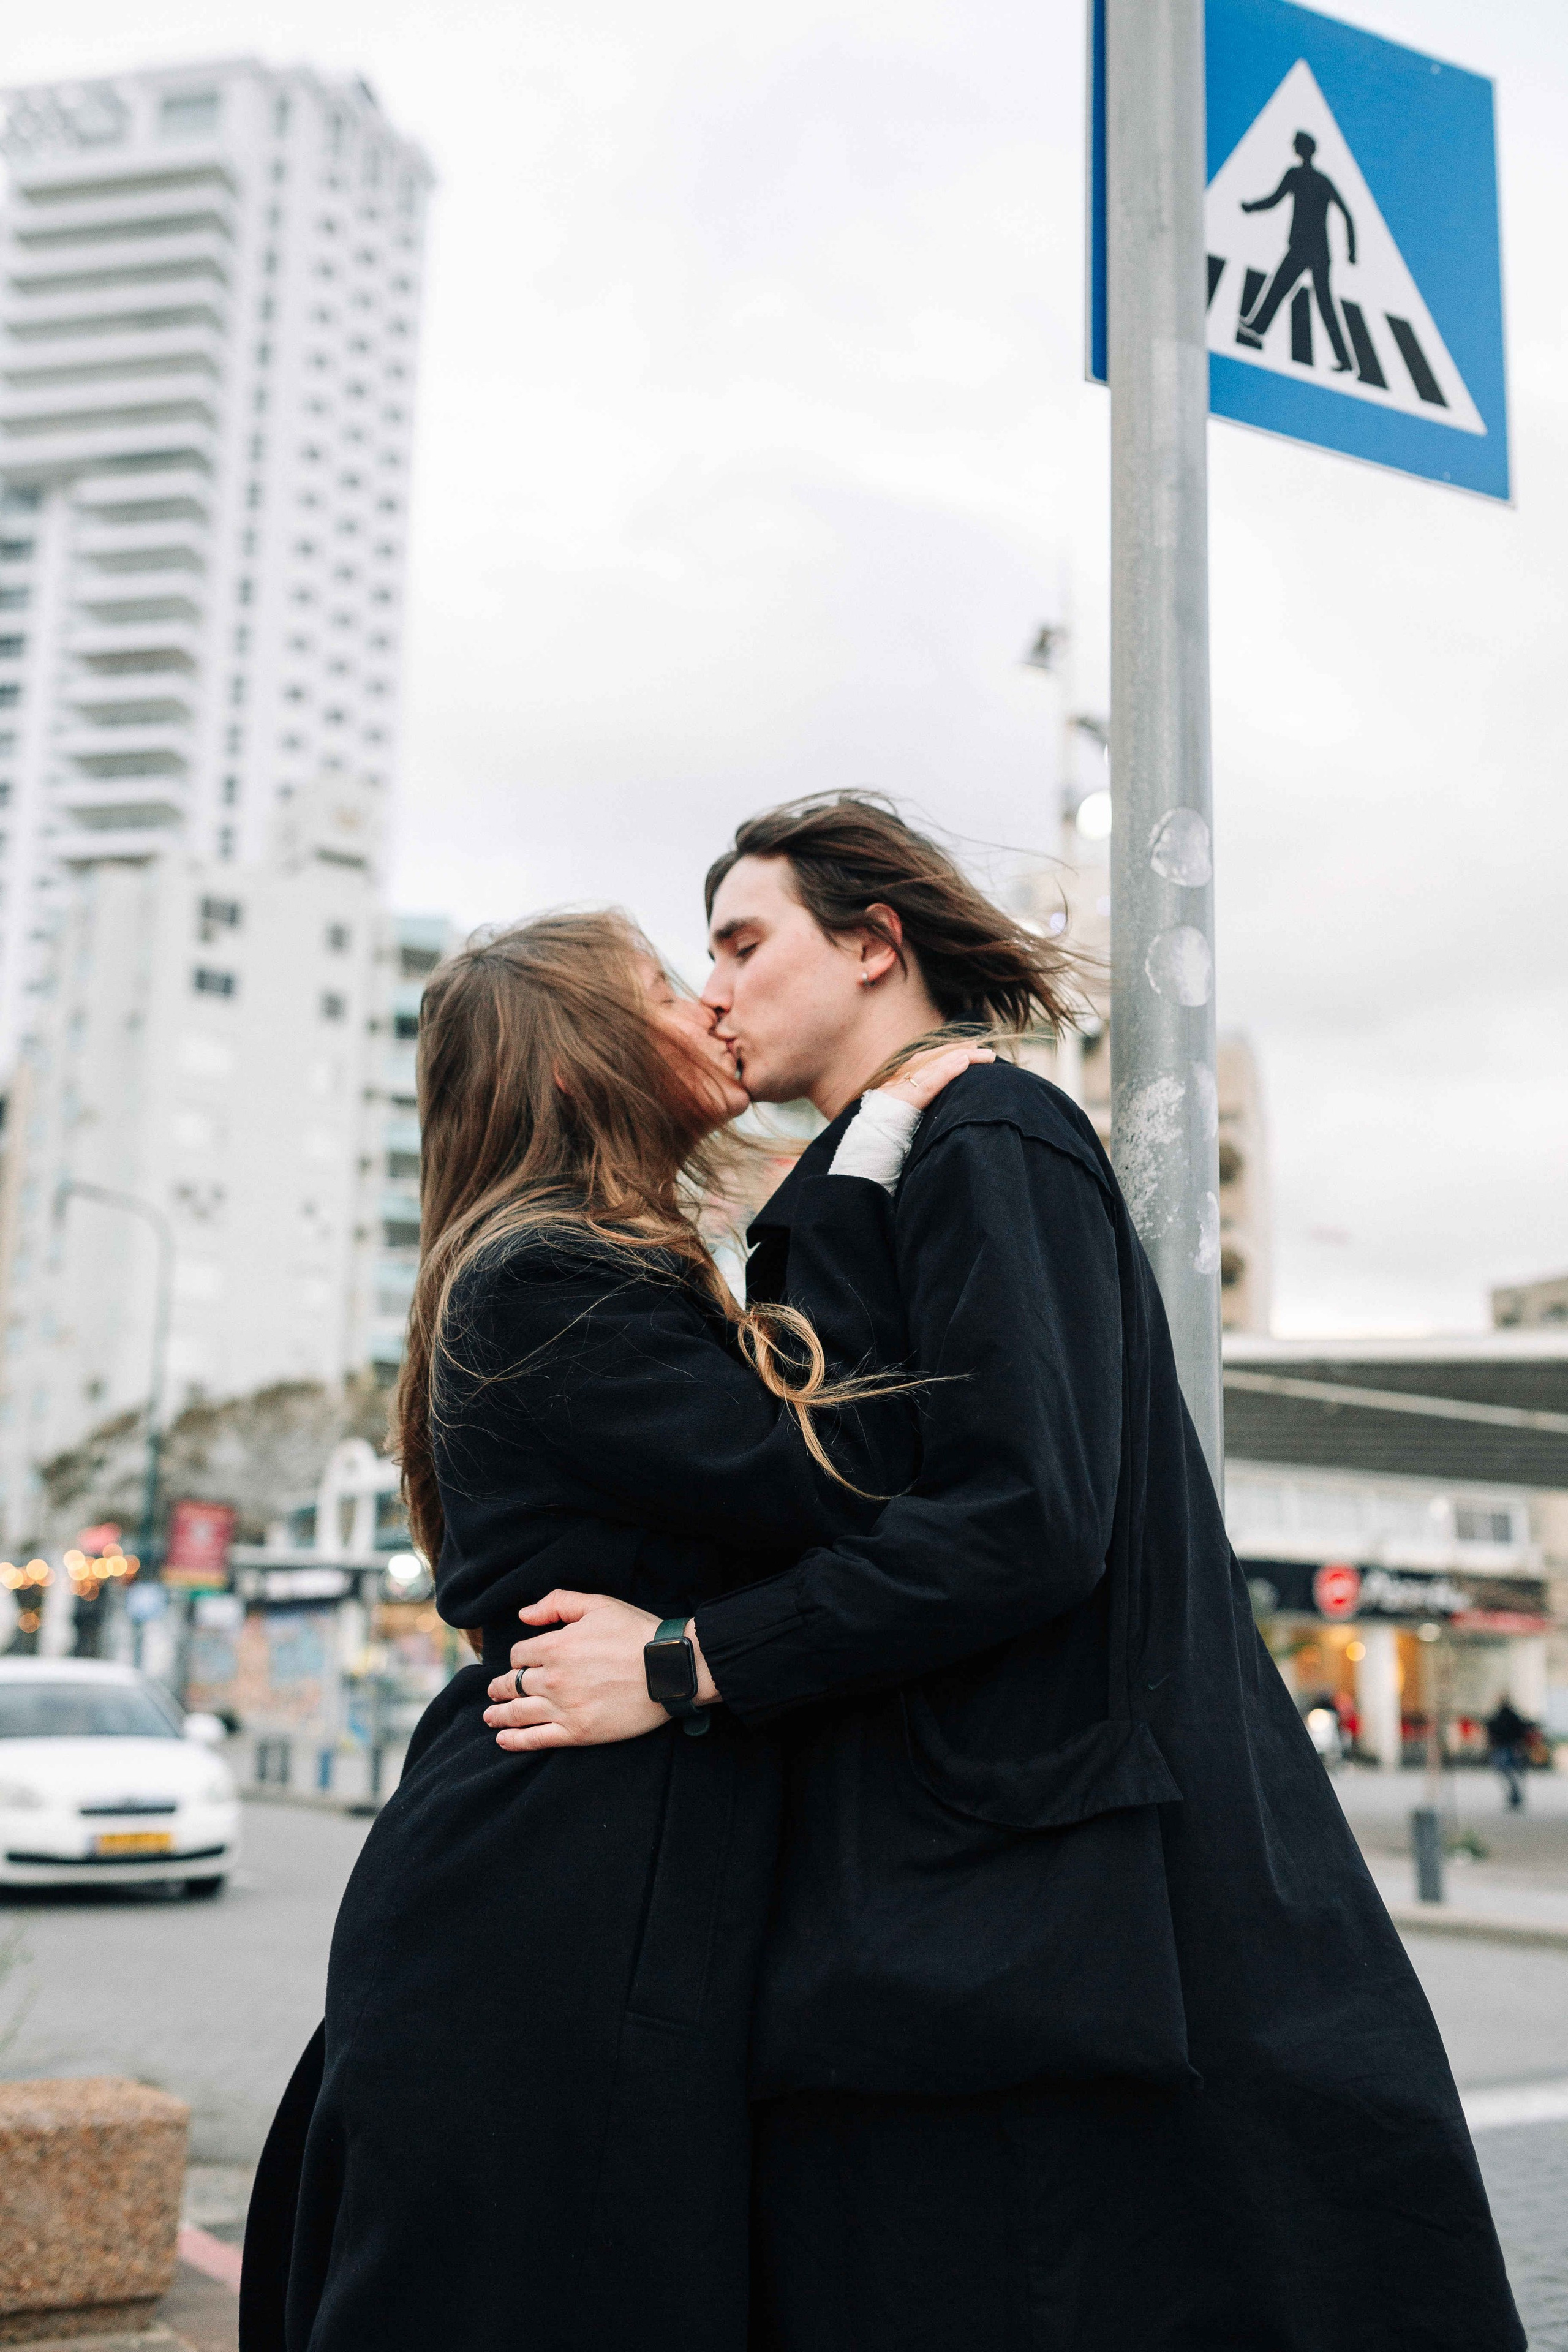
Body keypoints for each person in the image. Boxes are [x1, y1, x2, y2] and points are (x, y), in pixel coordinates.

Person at [487, 796, 1523, 2352]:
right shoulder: (887, 1149)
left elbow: (1029, 1514)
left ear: (870, 942)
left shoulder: (993, 1130)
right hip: (957, 1883)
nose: (711, 988)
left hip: (1052, 1881)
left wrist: (682, 1659)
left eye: (743, 940)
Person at [238, 907, 994, 2352]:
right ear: (581, 1054)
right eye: (666, 982)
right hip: (551, 1886)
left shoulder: (575, 1264)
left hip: (580, 1852)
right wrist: (871, 1145)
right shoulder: (546, 1275)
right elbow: (838, 1467)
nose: (712, 1005)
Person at [1238, 128, 1355, 370]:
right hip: (1316, 250)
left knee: (1294, 292)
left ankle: (1259, 327)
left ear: (1302, 149)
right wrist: (1351, 250)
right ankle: (1259, 327)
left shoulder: (1301, 177)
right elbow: (1347, 216)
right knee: (1287, 289)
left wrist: (1251, 208)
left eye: (1296, 144)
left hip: (1307, 248)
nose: (1293, 147)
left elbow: (1274, 200)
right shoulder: (1318, 179)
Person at [1487, 1697, 1531, 1811]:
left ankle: (1514, 1795)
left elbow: (1493, 1729)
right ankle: (1515, 1795)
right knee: (1513, 1773)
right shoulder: (1513, 1716)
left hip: (1504, 1747)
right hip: (1512, 1747)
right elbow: (1521, 1730)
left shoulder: (1499, 1716)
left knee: (1506, 1772)